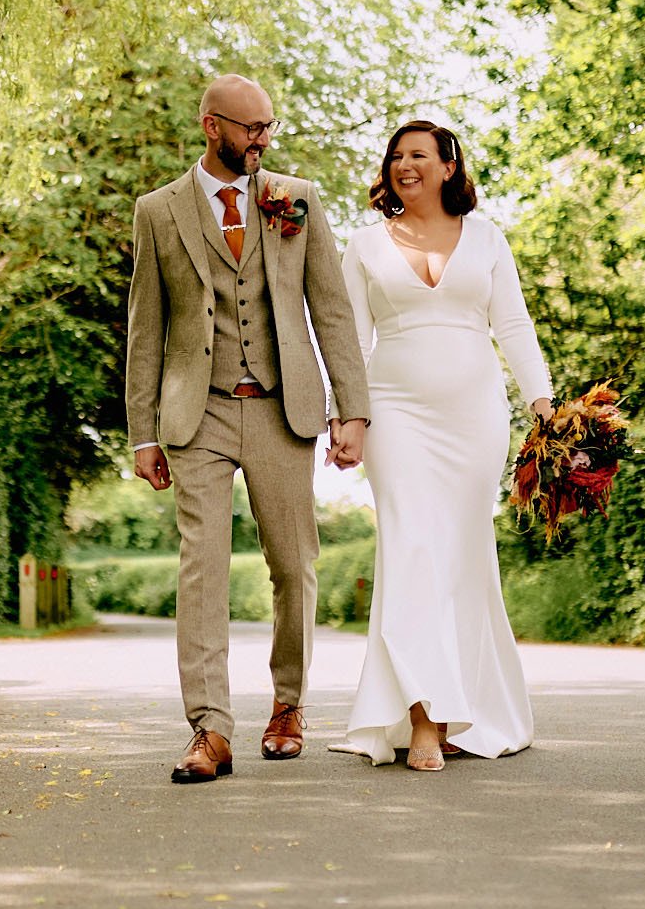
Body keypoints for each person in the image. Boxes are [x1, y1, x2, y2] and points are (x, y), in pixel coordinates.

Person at [126, 75, 371, 784]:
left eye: (268, 126)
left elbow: (331, 310)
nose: (263, 139)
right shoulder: (158, 210)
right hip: (194, 411)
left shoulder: (293, 198)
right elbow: (146, 329)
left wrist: (349, 410)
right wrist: (144, 432)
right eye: (250, 128)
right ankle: (210, 729)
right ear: (211, 126)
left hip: (281, 406)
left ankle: (289, 707)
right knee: (201, 566)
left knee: (294, 564)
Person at [327, 120, 552, 771]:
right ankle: (425, 718)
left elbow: (511, 321)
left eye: (419, 154)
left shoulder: (486, 238)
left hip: (474, 414)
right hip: (394, 412)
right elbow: (350, 341)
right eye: (397, 156)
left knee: (461, 554)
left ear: (449, 165)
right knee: (410, 547)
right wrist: (348, 418)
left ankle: (464, 709)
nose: (405, 164)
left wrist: (542, 401)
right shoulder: (366, 244)